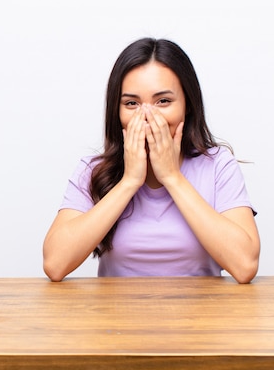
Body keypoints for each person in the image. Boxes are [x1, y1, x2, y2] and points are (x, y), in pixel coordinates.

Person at [43, 38, 260, 284]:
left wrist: (172, 177)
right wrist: (129, 182)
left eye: (163, 101)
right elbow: (55, 264)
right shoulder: (93, 170)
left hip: (201, 319)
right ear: (117, 111)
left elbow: (244, 266)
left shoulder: (218, 166)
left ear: (187, 105)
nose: (147, 116)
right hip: (116, 319)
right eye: (131, 103)